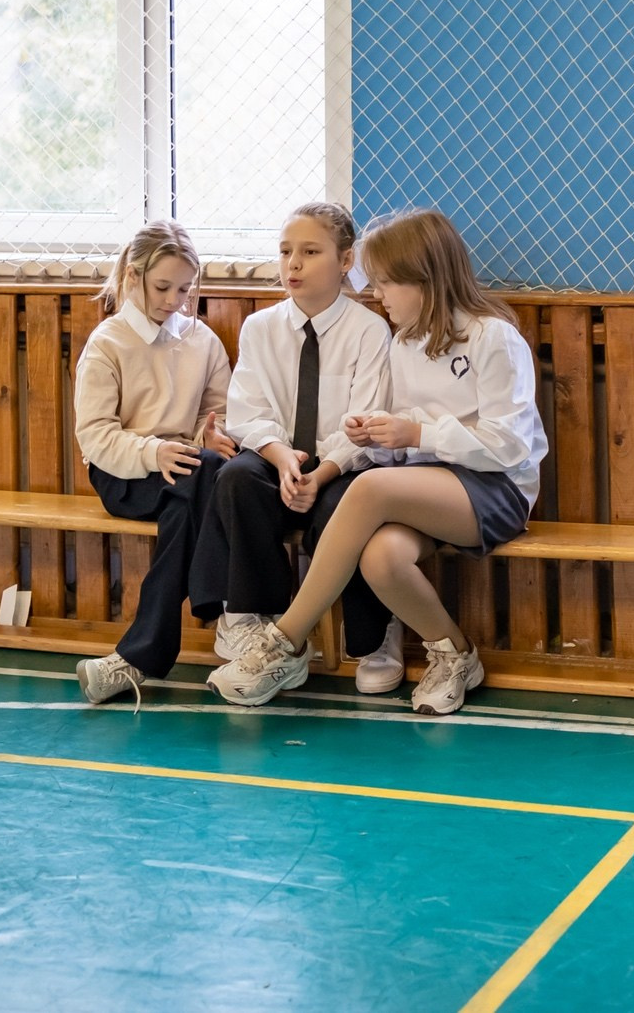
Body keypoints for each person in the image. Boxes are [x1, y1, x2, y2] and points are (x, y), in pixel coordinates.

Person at [205, 209, 546, 716]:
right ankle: (456, 655)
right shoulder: (405, 342)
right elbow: (406, 446)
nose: (377, 295)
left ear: (425, 279)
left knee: (369, 489)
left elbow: (510, 444)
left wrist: (415, 433)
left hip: (495, 489)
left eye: (386, 283)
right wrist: (380, 437)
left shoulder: (492, 337)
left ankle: (285, 641)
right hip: (425, 485)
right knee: (381, 557)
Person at [188, 202, 405, 690]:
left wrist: (319, 472)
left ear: (345, 261)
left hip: (340, 466)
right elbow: (248, 412)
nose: (293, 264)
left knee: (351, 501)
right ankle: (262, 625)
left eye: (310, 252)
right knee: (236, 477)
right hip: (279, 460)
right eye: (286, 252)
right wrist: (284, 460)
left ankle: (374, 635)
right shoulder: (261, 328)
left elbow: (366, 422)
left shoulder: (369, 331)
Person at [73, 220, 235, 705]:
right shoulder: (108, 343)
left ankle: (137, 658)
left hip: (186, 471)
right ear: (132, 276)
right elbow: (96, 436)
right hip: (123, 471)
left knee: (193, 489)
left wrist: (215, 433)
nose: (174, 300)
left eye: (185, 289)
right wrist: (153, 452)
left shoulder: (202, 339)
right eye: (163, 286)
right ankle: (221, 607)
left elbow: (221, 411)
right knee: (200, 478)